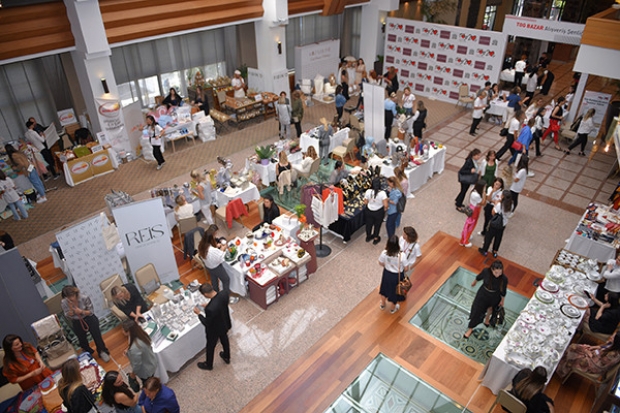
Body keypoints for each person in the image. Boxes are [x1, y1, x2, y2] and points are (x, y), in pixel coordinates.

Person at [61, 285, 110, 362]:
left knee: (97, 336)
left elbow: (91, 312)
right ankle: (87, 351)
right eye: (68, 297)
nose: (71, 299)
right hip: (77, 321)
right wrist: (71, 310)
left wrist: (81, 311)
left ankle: (102, 351)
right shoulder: (64, 302)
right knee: (81, 338)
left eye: (72, 296)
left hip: (89, 318)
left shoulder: (84, 298)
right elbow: (67, 316)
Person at [464, 259, 507, 338]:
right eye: (496, 272)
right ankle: (470, 328)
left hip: (495, 295)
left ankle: (487, 319)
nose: (498, 275)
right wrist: (474, 282)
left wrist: (502, 301)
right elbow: (479, 277)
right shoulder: (486, 272)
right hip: (483, 293)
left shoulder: (503, 278)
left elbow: (503, 291)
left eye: (500, 273)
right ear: (492, 270)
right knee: (477, 311)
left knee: (491, 308)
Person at [194, 283, 232, 371]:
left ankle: (208, 364)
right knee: (224, 340)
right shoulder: (224, 294)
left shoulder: (210, 309)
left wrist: (199, 314)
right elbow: (220, 304)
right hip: (225, 323)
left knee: (210, 346)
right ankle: (226, 356)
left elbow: (207, 322)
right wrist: (209, 304)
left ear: (205, 294)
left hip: (214, 330)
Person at [479, 190, 513, 258]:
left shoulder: (499, 205)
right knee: (498, 238)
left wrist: (495, 205)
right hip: (503, 224)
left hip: (494, 224)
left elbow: (493, 212)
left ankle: (485, 250)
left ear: (503, 197)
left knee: (489, 237)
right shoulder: (511, 205)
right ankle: (495, 251)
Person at [378, 235, 406, 314]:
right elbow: (406, 267)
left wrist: (387, 266)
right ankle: (393, 309)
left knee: (384, 289)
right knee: (395, 292)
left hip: (387, 273)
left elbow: (380, 262)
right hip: (397, 275)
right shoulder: (402, 255)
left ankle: (383, 304)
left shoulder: (384, 253)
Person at [197, 226, 230, 293]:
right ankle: (225, 294)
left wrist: (217, 246)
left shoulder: (202, 244)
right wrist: (223, 248)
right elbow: (222, 258)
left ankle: (215, 291)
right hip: (215, 267)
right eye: (214, 236)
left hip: (208, 265)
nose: (216, 237)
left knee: (214, 279)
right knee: (226, 279)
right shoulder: (212, 250)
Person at [460, 179, 486, 248]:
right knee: (470, 224)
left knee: (470, 223)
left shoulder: (474, 190)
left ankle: (467, 235)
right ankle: (464, 240)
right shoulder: (477, 195)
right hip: (475, 210)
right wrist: (484, 195)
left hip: (473, 207)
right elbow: (483, 203)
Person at [364, 178, 388, 245]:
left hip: (369, 210)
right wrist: (384, 210)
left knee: (368, 224)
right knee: (377, 225)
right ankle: (376, 238)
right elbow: (386, 205)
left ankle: (368, 236)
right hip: (378, 211)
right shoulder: (382, 193)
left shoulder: (368, 191)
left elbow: (365, 202)